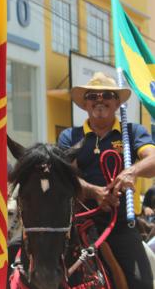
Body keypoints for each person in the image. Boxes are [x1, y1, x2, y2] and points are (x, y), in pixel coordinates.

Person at [58, 72, 155, 288]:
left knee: (142, 281)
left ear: (117, 102)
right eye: (93, 96)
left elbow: (153, 160)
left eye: (107, 95)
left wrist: (132, 172)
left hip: (121, 225)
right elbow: (66, 177)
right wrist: (94, 192)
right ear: (85, 104)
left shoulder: (132, 132)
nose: (99, 99)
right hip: (79, 225)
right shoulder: (69, 137)